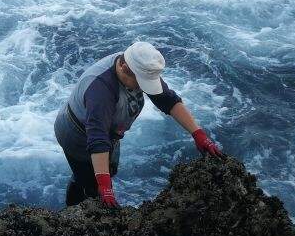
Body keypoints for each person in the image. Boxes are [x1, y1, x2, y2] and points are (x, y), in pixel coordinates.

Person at [54, 41, 224, 207]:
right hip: (77, 134)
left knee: (105, 172)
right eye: (141, 83)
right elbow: (98, 139)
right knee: (90, 182)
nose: (143, 88)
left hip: (107, 132)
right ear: (124, 68)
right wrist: (104, 186)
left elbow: (167, 100)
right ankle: (75, 214)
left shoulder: (138, 65)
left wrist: (198, 134)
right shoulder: (101, 90)